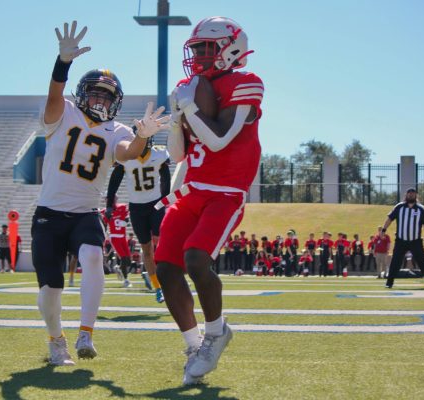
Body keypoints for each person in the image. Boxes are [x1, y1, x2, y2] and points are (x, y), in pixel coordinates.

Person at [31, 20, 169, 367]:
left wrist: (145, 136)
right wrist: (62, 63)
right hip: (48, 213)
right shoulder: (63, 111)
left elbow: (128, 152)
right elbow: (52, 96)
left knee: (93, 258)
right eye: (95, 93)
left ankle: (86, 333)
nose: (100, 100)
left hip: (85, 213)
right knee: (50, 290)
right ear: (82, 93)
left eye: (107, 96)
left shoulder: (116, 130)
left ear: (117, 103)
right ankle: (55, 340)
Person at [155, 16, 264, 385]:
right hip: (191, 190)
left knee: (196, 258)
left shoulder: (246, 83)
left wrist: (192, 110)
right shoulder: (191, 87)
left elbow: (219, 140)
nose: (199, 55)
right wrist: (175, 120)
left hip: (225, 192)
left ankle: (216, 332)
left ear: (231, 48)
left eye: (207, 47)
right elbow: (178, 155)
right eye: (196, 48)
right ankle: (192, 343)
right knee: (166, 266)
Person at [105, 137, 171, 303]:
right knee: (146, 249)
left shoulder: (159, 154)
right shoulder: (127, 157)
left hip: (155, 204)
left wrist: (165, 200)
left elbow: (165, 178)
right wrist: (109, 205)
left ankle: (169, 278)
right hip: (136, 208)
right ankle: (157, 287)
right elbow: (114, 181)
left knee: (160, 242)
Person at [382, 188, 424, 288]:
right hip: (401, 240)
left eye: (413, 193)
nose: (411, 195)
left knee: (423, 262)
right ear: (406, 195)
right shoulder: (399, 207)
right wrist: (383, 230)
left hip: (415, 241)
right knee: (395, 261)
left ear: (416, 195)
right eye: (409, 193)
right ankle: (389, 283)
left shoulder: (421, 209)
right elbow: (390, 218)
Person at [102, 201, 132, 288]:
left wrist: (126, 221)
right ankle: (126, 280)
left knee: (128, 261)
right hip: (114, 237)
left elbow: (127, 220)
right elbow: (104, 224)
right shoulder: (106, 211)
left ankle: (119, 268)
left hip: (123, 236)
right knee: (123, 257)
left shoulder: (122, 207)